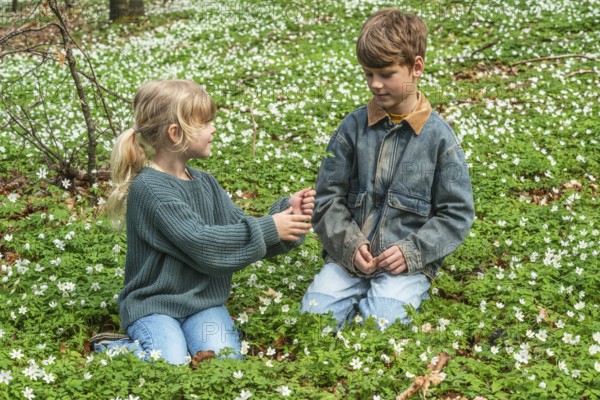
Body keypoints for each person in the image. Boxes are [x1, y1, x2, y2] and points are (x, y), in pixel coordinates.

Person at [96, 79, 315, 365]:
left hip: (203, 304)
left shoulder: (206, 183)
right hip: (155, 306)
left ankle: (185, 343)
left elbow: (237, 233)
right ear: (176, 133)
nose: (213, 129)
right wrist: (270, 226)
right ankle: (113, 348)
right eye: (205, 123)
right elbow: (202, 243)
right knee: (170, 363)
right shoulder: (150, 189)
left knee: (225, 361)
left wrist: (287, 216)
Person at [301, 9, 474, 329]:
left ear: (416, 67)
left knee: (381, 326)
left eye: (387, 73)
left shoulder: (440, 139)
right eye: (368, 74)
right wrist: (350, 245)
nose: (376, 84)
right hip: (348, 259)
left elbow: (456, 214)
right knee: (314, 318)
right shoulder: (351, 129)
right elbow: (326, 199)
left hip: (405, 267)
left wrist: (412, 252)